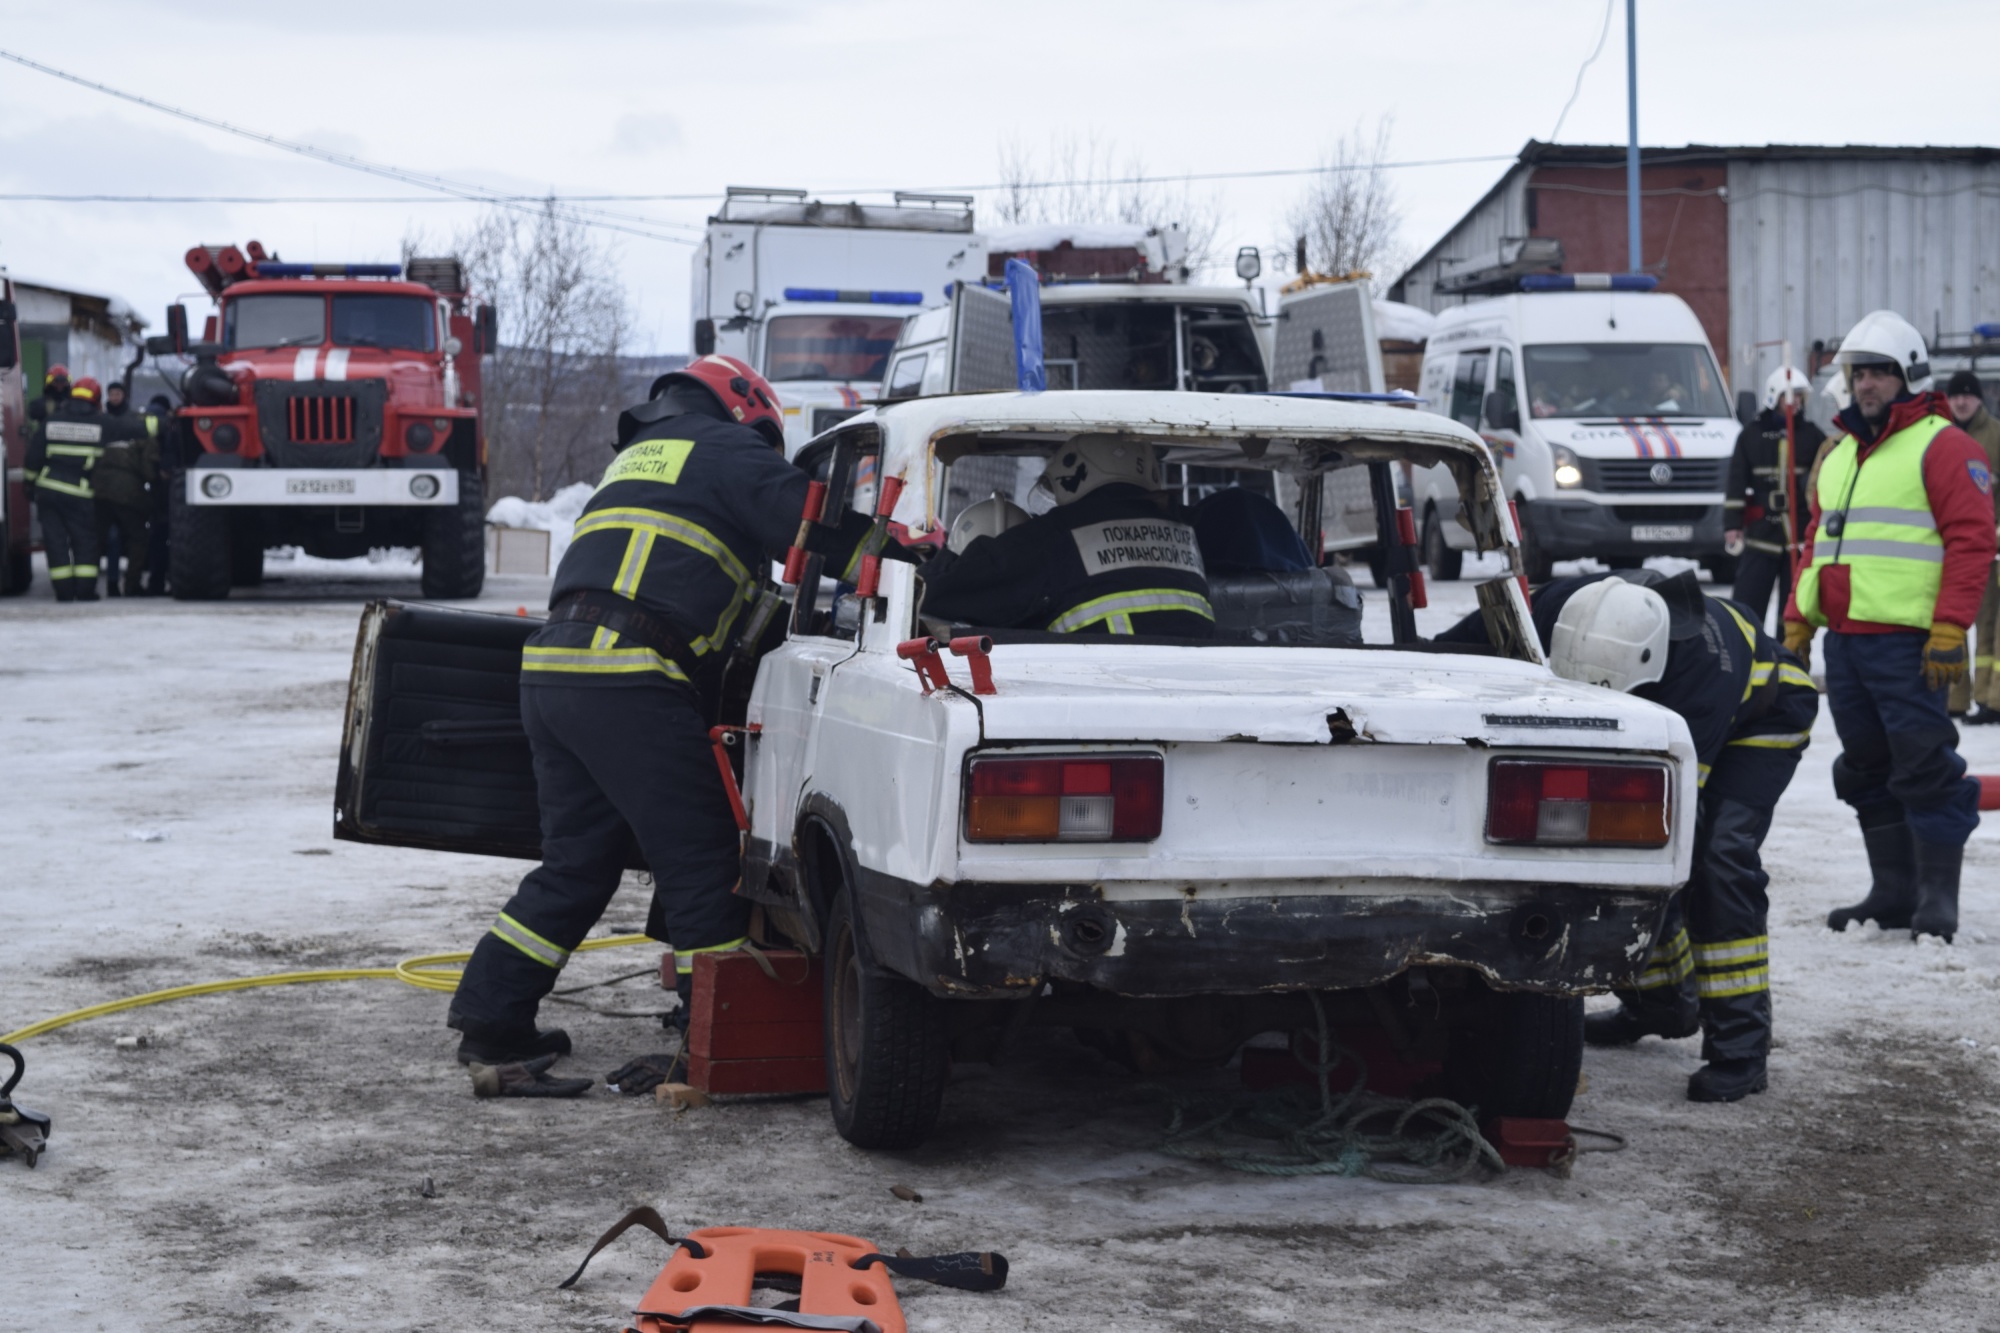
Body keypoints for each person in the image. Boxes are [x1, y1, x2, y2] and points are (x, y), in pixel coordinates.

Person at [446, 355, 884, 1091]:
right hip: (630, 677)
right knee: (701, 861)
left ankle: (492, 1019)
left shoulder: (636, 462)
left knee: (577, 864)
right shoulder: (724, 449)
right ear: (746, 412)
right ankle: (702, 1035)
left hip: (556, 669)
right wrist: (911, 553)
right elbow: (817, 525)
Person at [1443, 570, 1817, 1101]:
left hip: (1765, 716)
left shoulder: (1701, 675)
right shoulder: (1553, 607)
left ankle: (1741, 1048)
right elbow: (1450, 652)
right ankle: (1661, 1006)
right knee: (1615, 843)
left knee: (1711, 858)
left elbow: (1673, 827)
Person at [1783, 312, 1995, 943]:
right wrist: (1798, 624)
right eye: (1859, 373)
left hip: (1910, 644)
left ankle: (1937, 899)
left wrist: (1951, 629)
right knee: (1865, 766)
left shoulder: (1945, 445)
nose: (1867, 384)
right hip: (1847, 645)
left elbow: (1972, 541)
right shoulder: (1842, 452)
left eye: (1879, 371)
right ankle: (1895, 890)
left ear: (1908, 376)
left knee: (1924, 765)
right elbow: (1818, 546)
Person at [920, 435, 1215, 637]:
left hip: (1099, 693)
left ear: (1079, 472)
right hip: (1193, 690)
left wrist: (944, 560)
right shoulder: (1187, 531)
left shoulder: (1057, 537)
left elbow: (943, 593)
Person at [1725, 366, 1825, 631]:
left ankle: (1789, 655)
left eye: (1800, 397)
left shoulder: (1812, 435)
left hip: (1799, 535)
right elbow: (1736, 482)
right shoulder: (1751, 435)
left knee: (1792, 608)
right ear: (1774, 397)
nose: (1795, 402)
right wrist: (1732, 525)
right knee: (1747, 605)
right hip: (1761, 535)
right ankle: (1747, 655)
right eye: (1789, 396)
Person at [1939, 371, 2000, 723]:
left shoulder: (1995, 436)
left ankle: (1991, 699)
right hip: (1947, 551)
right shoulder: (1938, 436)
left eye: (1968, 395)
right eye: (1955, 396)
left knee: (1990, 624)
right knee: (1951, 623)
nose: (1961, 402)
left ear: (1979, 399)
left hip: (1989, 548)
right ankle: (1954, 699)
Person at [24, 377, 111, 601]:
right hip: (80, 495)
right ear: (96, 399)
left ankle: (63, 593)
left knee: (55, 542)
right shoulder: (100, 424)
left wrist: (29, 484)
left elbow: (33, 457)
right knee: (85, 542)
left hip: (48, 492)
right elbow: (131, 429)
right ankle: (84, 592)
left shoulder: (51, 421)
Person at [92, 381, 158, 598]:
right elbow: (149, 464)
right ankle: (131, 585)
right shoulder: (137, 425)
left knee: (99, 539)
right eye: (111, 393)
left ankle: (89, 585)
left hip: (99, 490)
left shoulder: (97, 423)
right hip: (127, 492)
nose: (114, 397)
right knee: (138, 538)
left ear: (124, 395)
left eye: (117, 393)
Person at [25, 363, 70, 429]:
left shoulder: (73, 404)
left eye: (62, 382)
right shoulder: (38, 404)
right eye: (56, 382)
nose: (59, 386)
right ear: (49, 383)